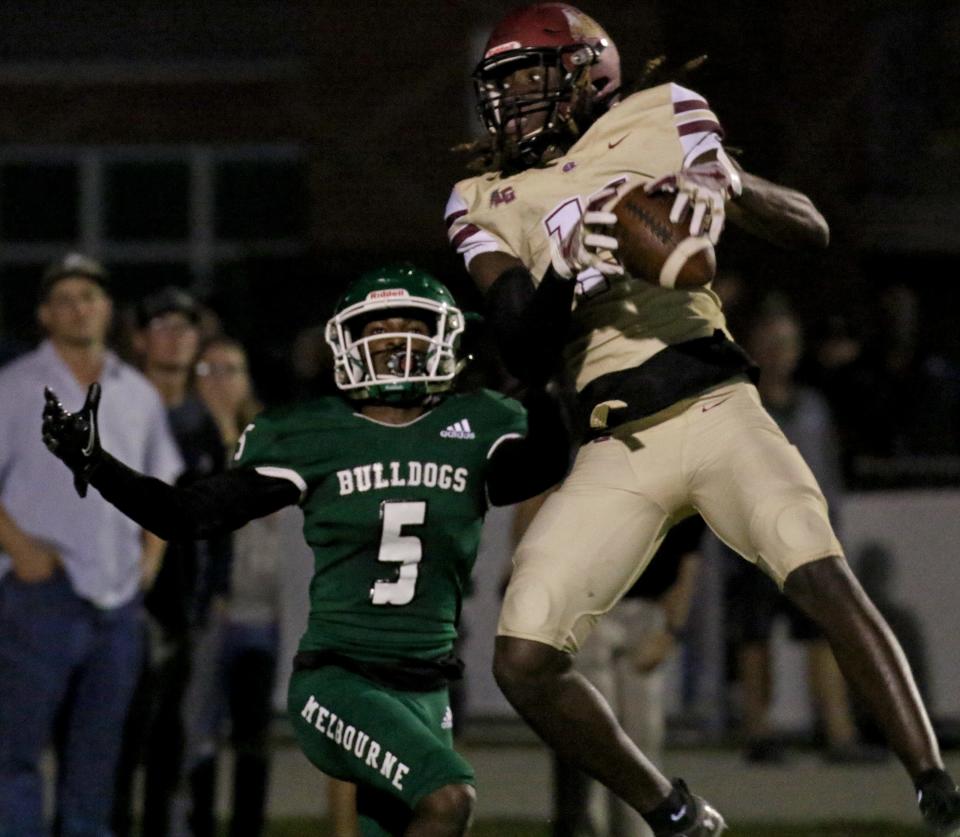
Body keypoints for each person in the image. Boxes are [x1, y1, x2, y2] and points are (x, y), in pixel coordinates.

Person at [444, 4, 960, 835]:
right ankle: (674, 809)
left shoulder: (663, 114)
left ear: (587, 70)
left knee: (821, 574)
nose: (514, 102)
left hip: (720, 407)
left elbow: (813, 228)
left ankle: (936, 785)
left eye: (531, 78)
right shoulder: (483, 199)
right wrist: (565, 270)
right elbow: (522, 344)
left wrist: (733, 184)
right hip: (615, 443)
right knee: (523, 658)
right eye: (501, 87)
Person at [41, 265, 569, 837]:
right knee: (447, 799)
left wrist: (542, 386)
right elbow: (184, 515)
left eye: (409, 322)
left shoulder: (478, 421)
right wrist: (95, 463)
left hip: (428, 682)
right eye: (379, 325)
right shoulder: (311, 433)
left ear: (445, 336)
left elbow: (543, 466)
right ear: (345, 342)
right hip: (339, 680)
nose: (394, 337)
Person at [0, 253, 183, 836]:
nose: (81, 307)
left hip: (118, 602)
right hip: (39, 597)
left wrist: (149, 561)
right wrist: (23, 552)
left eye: (91, 296)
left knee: (97, 762)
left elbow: (162, 488)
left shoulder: (137, 393)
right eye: (67, 298)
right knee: (16, 754)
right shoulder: (15, 385)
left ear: (109, 310)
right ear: (45, 315)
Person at [727, 304, 870, 764]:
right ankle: (759, 730)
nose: (779, 355)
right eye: (770, 345)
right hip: (755, 541)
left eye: (787, 345)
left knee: (823, 634)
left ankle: (837, 732)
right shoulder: (737, 405)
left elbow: (827, 475)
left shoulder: (812, 408)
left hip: (808, 542)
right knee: (756, 637)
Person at [112, 287, 231, 837]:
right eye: (162, 324)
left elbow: (222, 511)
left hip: (183, 604)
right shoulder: (115, 407)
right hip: (119, 598)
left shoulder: (199, 421)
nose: (176, 336)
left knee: (172, 741)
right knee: (114, 737)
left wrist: (217, 588)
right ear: (138, 339)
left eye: (185, 326)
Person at [181, 336, 279, 837]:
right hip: (207, 611)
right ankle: (197, 826)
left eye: (231, 369)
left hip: (261, 613)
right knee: (198, 735)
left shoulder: (271, 440)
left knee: (251, 735)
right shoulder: (184, 438)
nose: (219, 380)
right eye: (209, 369)